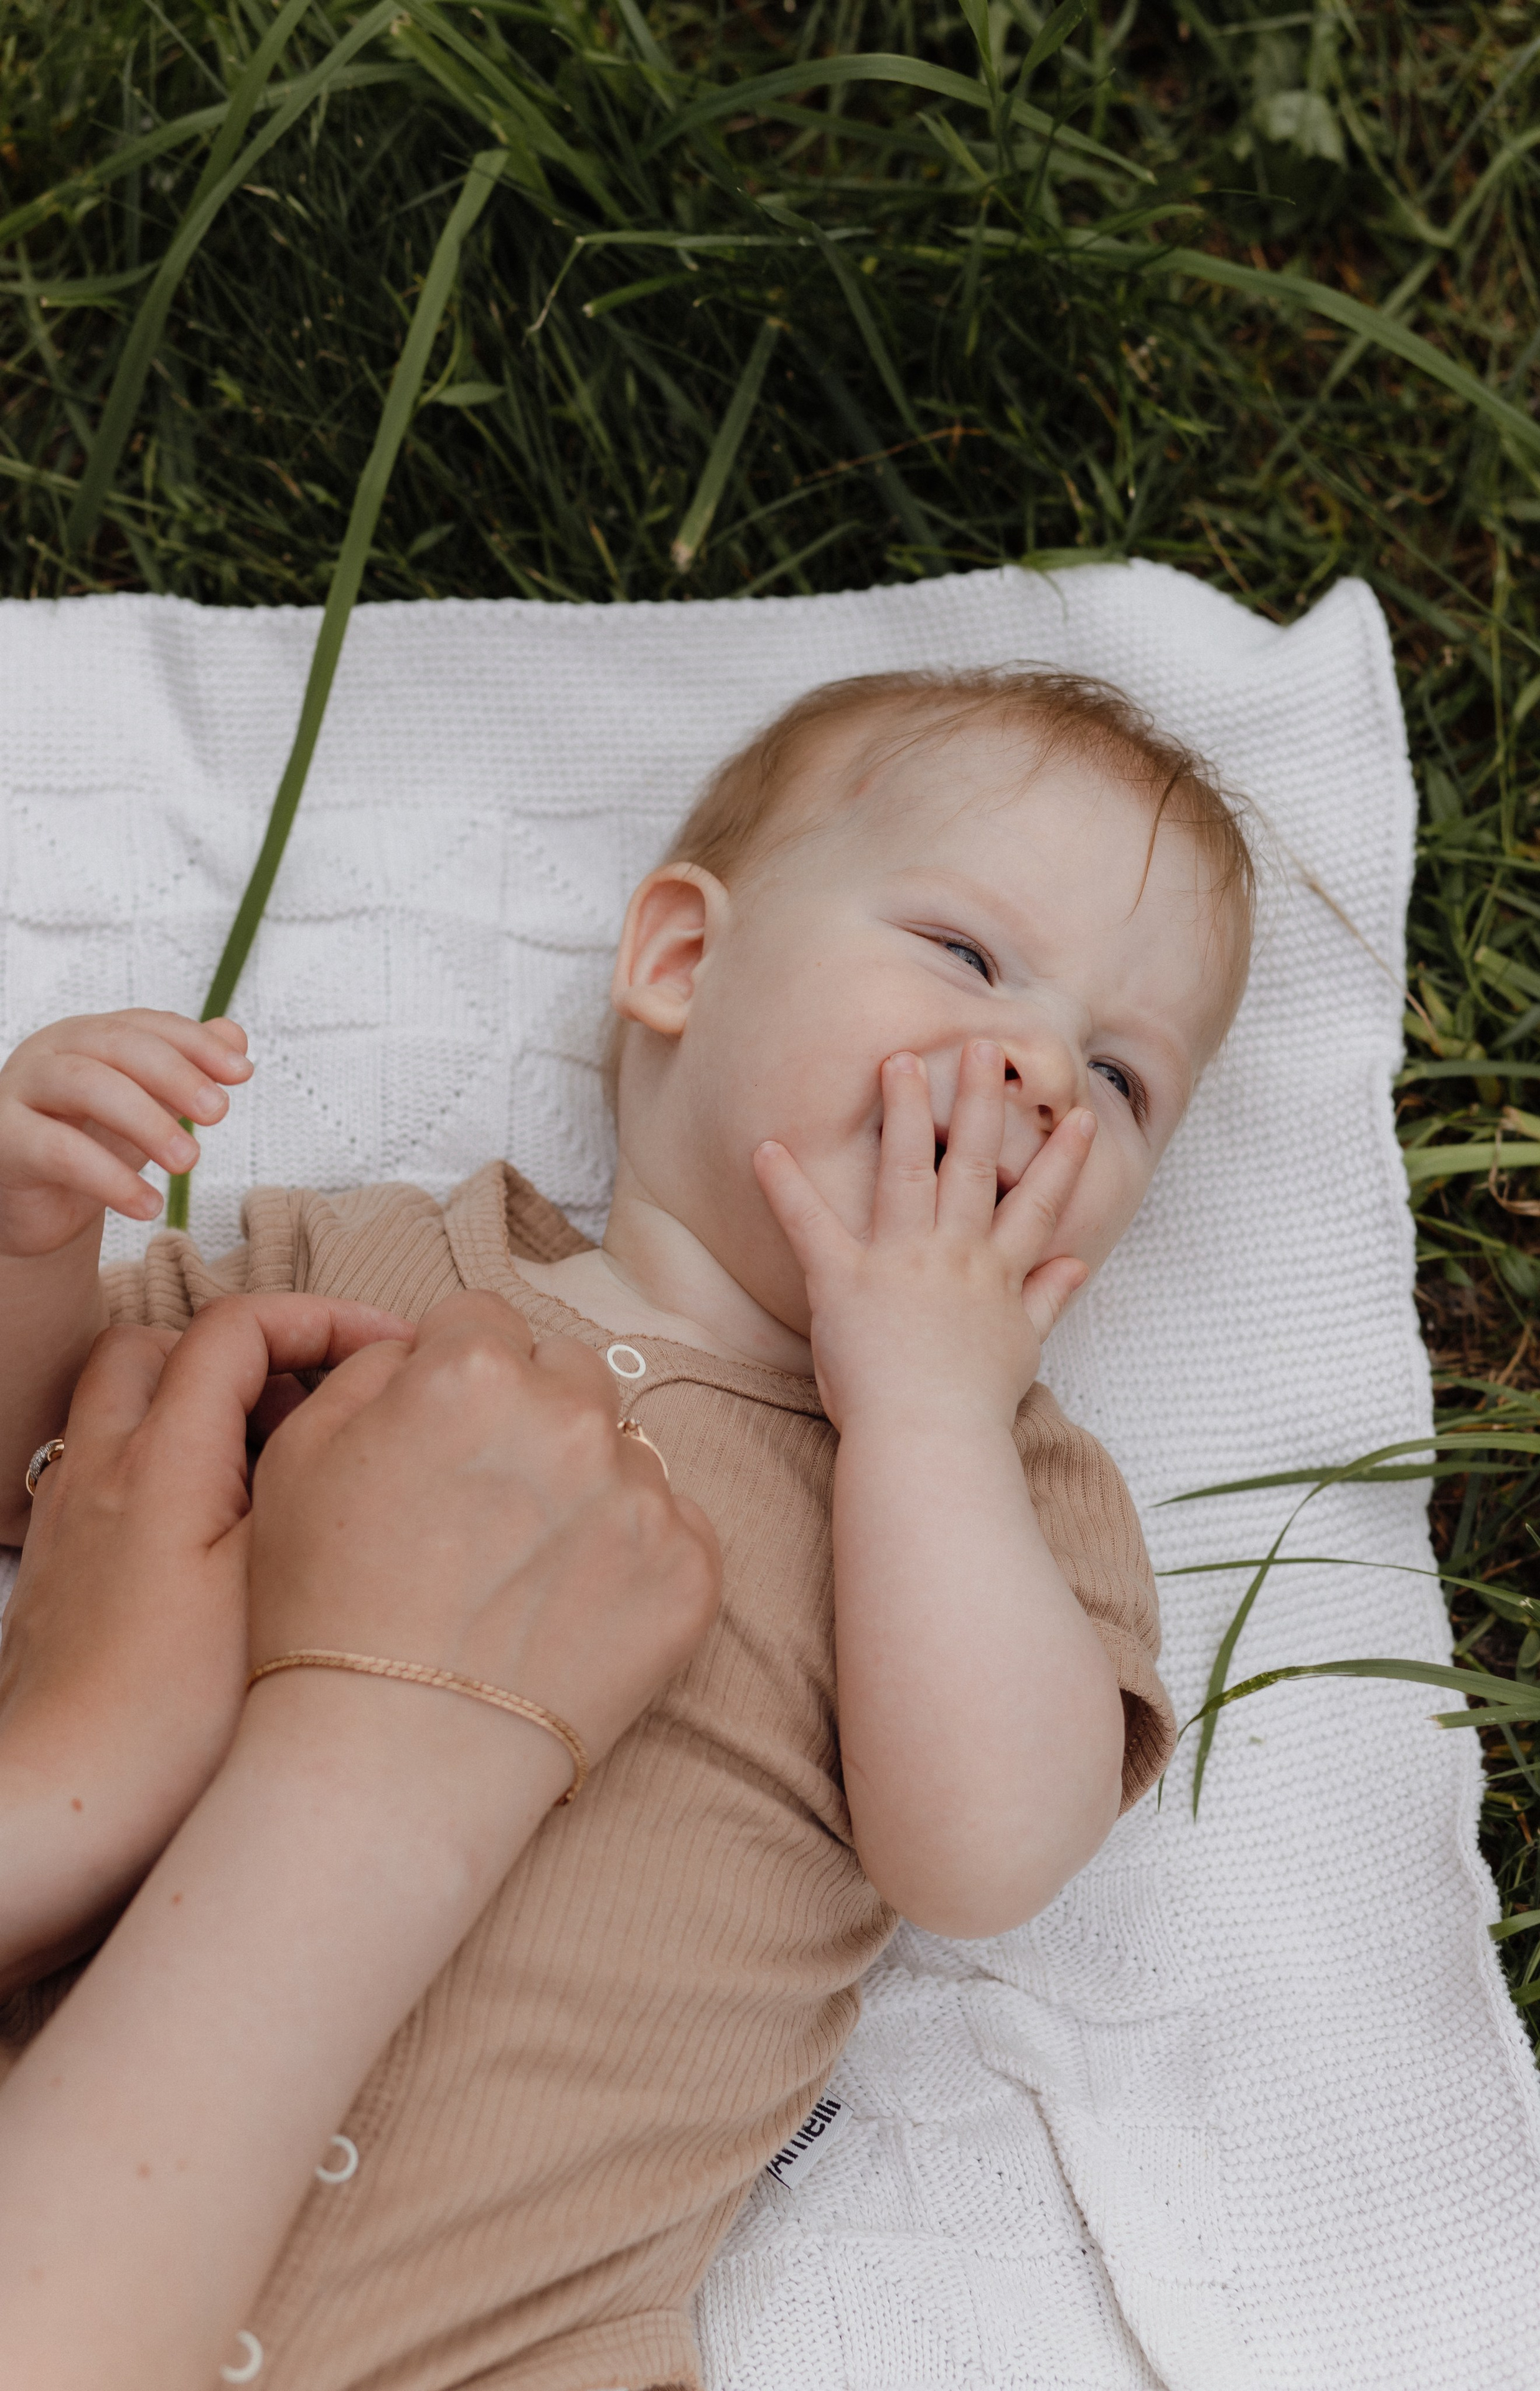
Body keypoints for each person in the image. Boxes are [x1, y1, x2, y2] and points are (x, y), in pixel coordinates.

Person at [0, 664, 1255, 2391]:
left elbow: (976, 1858)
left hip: (516, 2336)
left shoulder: (1011, 1494)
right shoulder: (374, 1269)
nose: (1042, 1064)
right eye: (970, 958)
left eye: (1123, 1080)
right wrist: (31, 1237)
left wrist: (924, 1413)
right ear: (681, 962)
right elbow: (55, 1454)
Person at [0, 1286, 720, 2391]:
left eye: (1101, 1096)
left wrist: (69, 1776)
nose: (1045, 1099)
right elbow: (66, 1429)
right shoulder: (359, 1267)